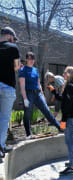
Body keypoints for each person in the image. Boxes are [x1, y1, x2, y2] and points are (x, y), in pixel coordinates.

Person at [48, 66, 73, 176]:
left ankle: (72, 167)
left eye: (65, 73)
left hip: (70, 118)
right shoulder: (72, 86)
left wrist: (63, 122)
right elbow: (63, 100)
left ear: (69, 74)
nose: (63, 74)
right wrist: (54, 92)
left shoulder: (70, 87)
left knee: (70, 142)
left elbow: (67, 107)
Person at [19, 52, 62, 139]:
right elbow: (22, 85)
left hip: (37, 93)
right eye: (29, 59)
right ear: (26, 59)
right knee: (27, 114)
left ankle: (60, 128)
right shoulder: (23, 70)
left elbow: (38, 83)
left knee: (47, 111)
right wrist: (25, 98)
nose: (31, 61)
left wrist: (42, 94)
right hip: (28, 93)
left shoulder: (35, 70)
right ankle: (28, 134)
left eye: (32, 59)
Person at [0, 27, 20, 158]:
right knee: (4, 118)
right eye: (13, 39)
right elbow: (17, 67)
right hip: (7, 87)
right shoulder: (13, 48)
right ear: (9, 36)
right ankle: (0, 146)